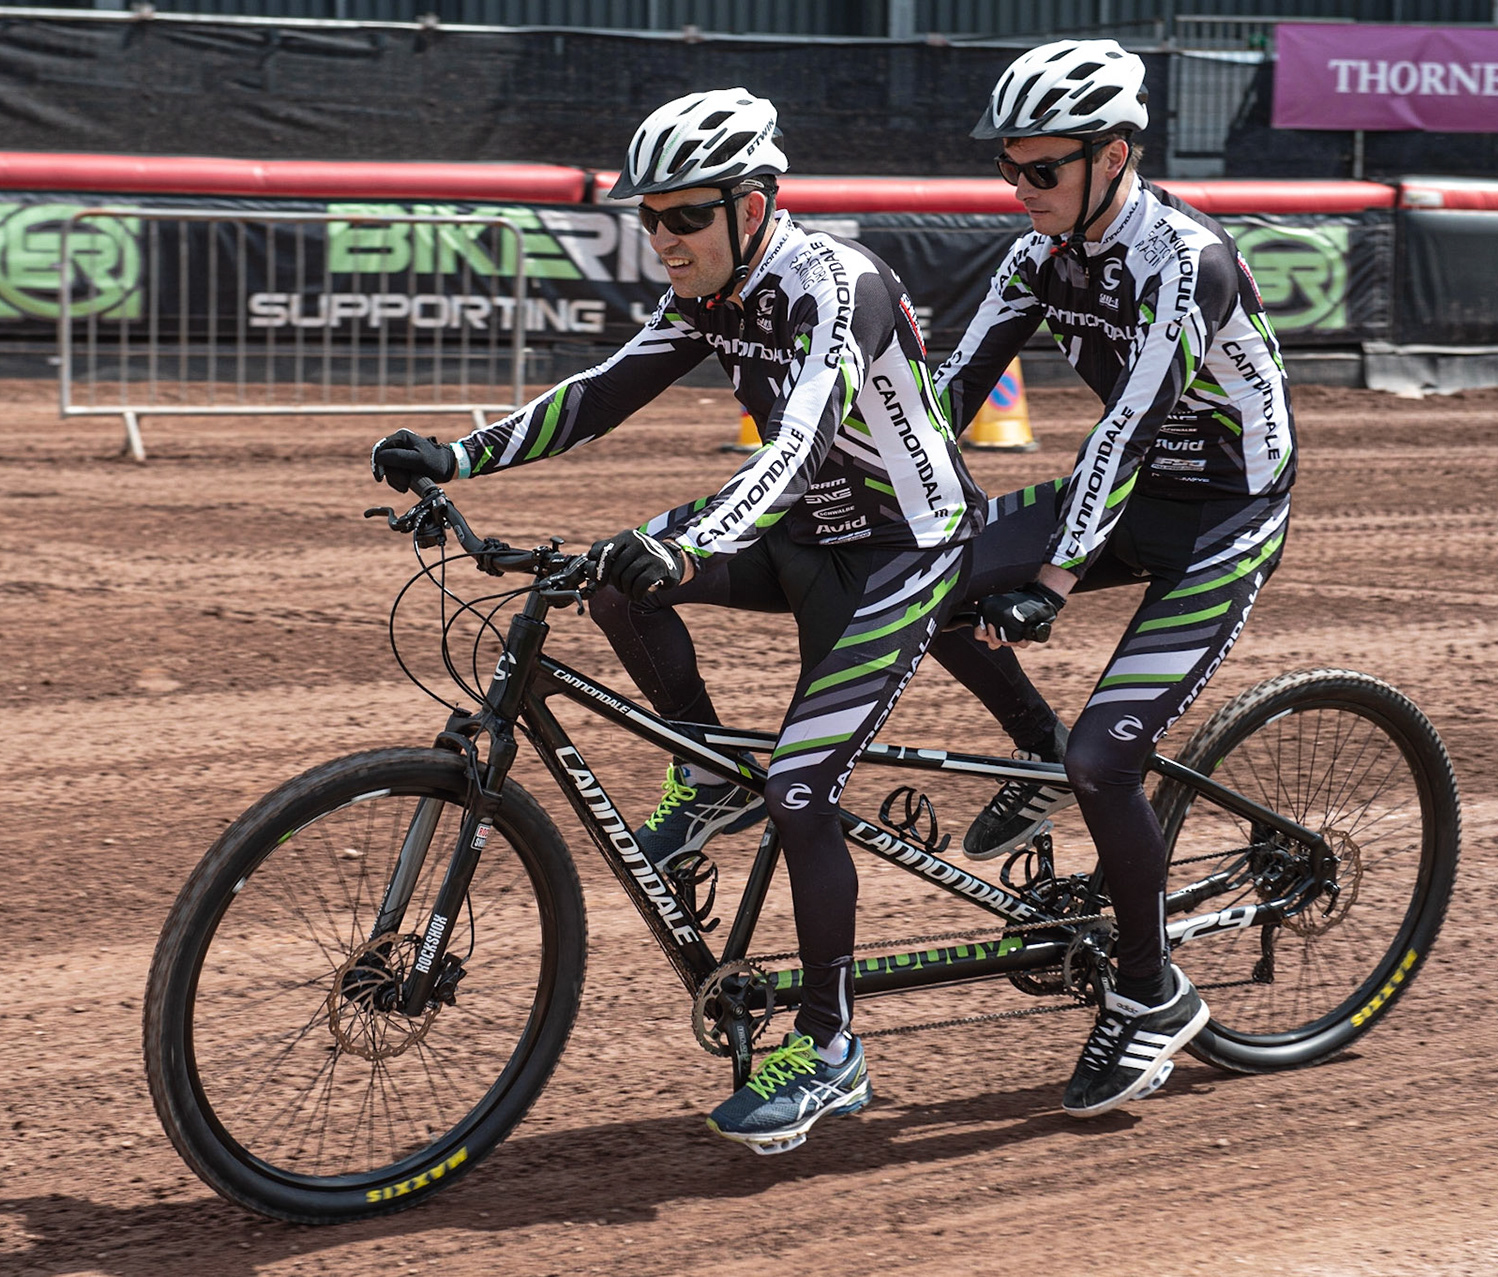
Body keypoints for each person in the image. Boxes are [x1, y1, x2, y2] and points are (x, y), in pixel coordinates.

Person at [372, 88, 1045, 1154]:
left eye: (683, 215)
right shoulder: (715, 289)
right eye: (649, 217)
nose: (662, 238)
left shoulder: (837, 283)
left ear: (754, 203)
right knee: (603, 578)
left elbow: (798, 442)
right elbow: (600, 393)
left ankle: (831, 1051)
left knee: (805, 789)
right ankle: (709, 774)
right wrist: (459, 454)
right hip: (801, 530)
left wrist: (688, 541)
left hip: (900, 553)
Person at [931, 38, 1298, 1118]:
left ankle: (1148, 996)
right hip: (1137, 493)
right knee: (916, 580)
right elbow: (947, 389)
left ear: (1114, 156)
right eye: (1011, 169)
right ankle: (1035, 750)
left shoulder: (1187, 260)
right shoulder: (1038, 253)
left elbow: (1128, 428)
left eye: (1042, 171)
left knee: (1110, 758)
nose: (1021, 189)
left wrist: (1049, 575)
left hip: (1226, 509)